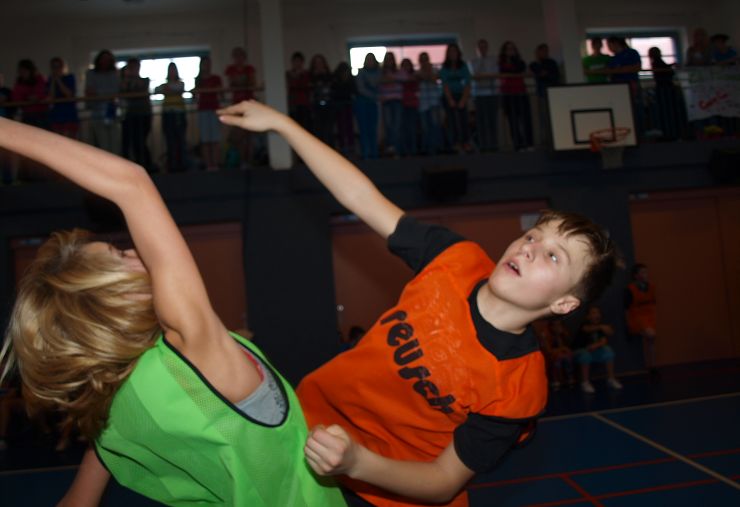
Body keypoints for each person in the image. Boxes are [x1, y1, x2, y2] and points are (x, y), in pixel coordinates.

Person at [218, 100, 620, 507]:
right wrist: (283, 124)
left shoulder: (519, 387)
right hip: (307, 430)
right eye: (533, 236)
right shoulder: (456, 259)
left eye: (553, 256)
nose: (529, 247)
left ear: (565, 304)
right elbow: (360, 197)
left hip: (384, 494)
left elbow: (444, 480)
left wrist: (357, 462)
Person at [0, 117, 346, 507]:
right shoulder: (194, 349)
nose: (136, 250)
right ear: (116, 299)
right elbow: (131, 182)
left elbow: (77, 502)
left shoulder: (115, 403)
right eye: (119, 256)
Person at [572, 305, 623, 393]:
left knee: (608, 351)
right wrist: (602, 327)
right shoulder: (585, 325)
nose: (596, 315)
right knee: (585, 355)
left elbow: (604, 340)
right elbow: (587, 329)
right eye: (593, 313)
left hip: (593, 352)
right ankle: (585, 382)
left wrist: (596, 345)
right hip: (579, 352)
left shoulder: (600, 327)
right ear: (588, 316)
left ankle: (611, 379)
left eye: (597, 313)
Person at [225, 46, 258, 167]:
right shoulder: (230, 69)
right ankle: (242, 160)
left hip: (249, 105)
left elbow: (252, 82)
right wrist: (242, 81)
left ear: (244, 57)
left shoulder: (249, 69)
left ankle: (250, 160)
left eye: (240, 56)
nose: (238, 59)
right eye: (236, 56)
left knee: (249, 134)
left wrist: (241, 81)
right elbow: (232, 83)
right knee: (237, 134)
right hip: (237, 106)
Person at [119, 58, 153, 169]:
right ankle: (136, 166)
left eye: (135, 67)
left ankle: (146, 165)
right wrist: (126, 80)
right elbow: (122, 93)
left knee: (140, 141)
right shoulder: (124, 82)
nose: (133, 69)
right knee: (131, 142)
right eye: (131, 67)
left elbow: (140, 91)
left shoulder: (144, 80)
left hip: (144, 115)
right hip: (130, 115)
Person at [498, 41, 532, 151]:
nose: (510, 51)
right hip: (508, 95)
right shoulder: (501, 63)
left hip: (521, 93)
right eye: (508, 49)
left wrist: (514, 63)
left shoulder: (520, 62)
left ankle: (529, 143)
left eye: (512, 48)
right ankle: (518, 145)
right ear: (504, 51)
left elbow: (520, 69)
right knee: (513, 121)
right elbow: (506, 71)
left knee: (526, 119)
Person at [85, 50, 120, 154]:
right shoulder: (91, 73)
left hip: (112, 113)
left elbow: (115, 91)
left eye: (108, 59)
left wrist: (99, 94)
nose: (105, 61)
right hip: (97, 115)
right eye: (103, 59)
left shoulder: (114, 74)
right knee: (103, 146)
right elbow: (90, 92)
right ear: (99, 60)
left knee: (115, 145)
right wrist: (106, 95)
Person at [439, 43, 473, 152]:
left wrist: (464, 99)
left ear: (458, 53)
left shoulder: (463, 66)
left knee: (464, 119)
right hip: (448, 96)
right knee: (452, 120)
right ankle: (455, 143)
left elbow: (467, 83)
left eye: (454, 51)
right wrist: (450, 99)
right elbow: (445, 85)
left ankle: (466, 142)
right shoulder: (444, 68)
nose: (453, 54)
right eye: (450, 51)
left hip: (461, 95)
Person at [155, 62, 187, 172]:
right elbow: (156, 89)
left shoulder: (180, 83)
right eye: (170, 70)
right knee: (170, 140)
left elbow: (178, 89)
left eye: (173, 70)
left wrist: (169, 90)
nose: (172, 72)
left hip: (179, 113)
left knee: (180, 139)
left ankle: (182, 164)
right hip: (168, 114)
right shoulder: (164, 85)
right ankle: (172, 165)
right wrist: (167, 89)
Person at [625, 263, 657, 372]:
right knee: (651, 335)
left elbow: (653, 302)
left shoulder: (651, 287)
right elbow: (626, 309)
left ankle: (653, 366)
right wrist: (628, 324)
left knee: (651, 340)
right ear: (636, 275)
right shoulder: (630, 289)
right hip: (637, 317)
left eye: (646, 272)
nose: (646, 274)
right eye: (643, 272)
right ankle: (635, 331)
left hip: (649, 316)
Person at [193, 56, 223, 171]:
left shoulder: (216, 78)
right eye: (205, 63)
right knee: (205, 140)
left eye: (209, 63)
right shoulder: (198, 80)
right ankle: (208, 165)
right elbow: (195, 95)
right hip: (203, 110)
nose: (207, 66)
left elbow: (221, 93)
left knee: (215, 139)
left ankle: (216, 164)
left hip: (214, 109)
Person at [469, 38, 500, 152]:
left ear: (487, 48)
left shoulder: (493, 59)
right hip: (479, 94)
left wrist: (484, 76)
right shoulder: (473, 61)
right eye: (480, 47)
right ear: (477, 49)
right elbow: (475, 75)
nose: (482, 49)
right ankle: (483, 146)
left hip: (492, 94)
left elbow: (494, 75)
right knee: (481, 122)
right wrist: (482, 72)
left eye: (484, 47)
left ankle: (493, 145)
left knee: (492, 121)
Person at [529, 44, 560, 148]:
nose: (544, 53)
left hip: (553, 94)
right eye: (542, 51)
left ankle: (555, 139)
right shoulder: (534, 64)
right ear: (537, 52)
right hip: (542, 94)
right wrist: (544, 73)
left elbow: (554, 77)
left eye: (546, 51)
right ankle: (545, 140)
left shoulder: (552, 63)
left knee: (553, 117)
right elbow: (539, 73)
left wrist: (546, 74)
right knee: (543, 118)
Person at [417, 52, 445, 155]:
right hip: (423, 103)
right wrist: (424, 76)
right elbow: (418, 79)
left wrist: (427, 74)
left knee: (435, 125)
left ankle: (438, 147)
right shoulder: (417, 72)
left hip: (434, 101)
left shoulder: (435, 70)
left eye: (425, 59)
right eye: (422, 60)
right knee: (425, 127)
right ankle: (427, 148)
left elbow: (434, 79)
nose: (424, 62)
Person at [354, 53, 381, 159]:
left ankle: (374, 153)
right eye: (367, 59)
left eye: (371, 59)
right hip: (362, 104)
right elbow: (361, 89)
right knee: (363, 129)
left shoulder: (379, 72)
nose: (369, 62)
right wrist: (375, 96)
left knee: (373, 129)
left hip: (372, 104)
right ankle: (366, 153)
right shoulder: (361, 73)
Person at [47, 57, 80, 139]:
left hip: (69, 114)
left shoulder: (70, 77)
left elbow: (68, 94)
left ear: (62, 67)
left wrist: (58, 80)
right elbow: (51, 96)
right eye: (54, 67)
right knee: (57, 139)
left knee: (69, 139)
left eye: (58, 66)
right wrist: (53, 81)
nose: (56, 69)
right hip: (56, 114)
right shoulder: (50, 80)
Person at [539, 318, 574, 390]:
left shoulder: (563, 333)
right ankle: (555, 380)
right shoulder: (546, 334)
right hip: (549, 355)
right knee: (558, 359)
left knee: (567, 357)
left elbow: (568, 348)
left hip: (562, 354)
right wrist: (561, 349)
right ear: (551, 326)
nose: (557, 327)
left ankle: (569, 379)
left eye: (559, 325)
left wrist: (559, 335)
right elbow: (548, 350)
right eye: (555, 325)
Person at [310, 54, 336, 148]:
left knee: (329, 130)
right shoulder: (310, 76)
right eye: (316, 63)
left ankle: (330, 151)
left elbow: (333, 88)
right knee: (318, 131)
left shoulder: (330, 75)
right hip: (316, 107)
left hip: (329, 106)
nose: (319, 64)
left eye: (320, 62)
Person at [379, 52, 403, 157]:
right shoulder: (381, 72)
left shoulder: (399, 71)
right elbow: (379, 81)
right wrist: (390, 80)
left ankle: (396, 148)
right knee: (388, 125)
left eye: (391, 58)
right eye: (387, 59)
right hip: (386, 102)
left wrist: (391, 79)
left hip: (397, 101)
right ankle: (390, 147)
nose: (389, 61)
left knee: (396, 125)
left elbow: (405, 79)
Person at [332, 61, 356, 156]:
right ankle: (343, 146)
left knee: (349, 126)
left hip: (348, 105)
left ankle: (350, 146)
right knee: (341, 126)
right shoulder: (336, 81)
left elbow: (353, 91)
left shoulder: (351, 80)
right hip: (339, 106)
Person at [287, 51, 313, 131]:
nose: (297, 63)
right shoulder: (288, 74)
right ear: (292, 62)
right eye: (295, 61)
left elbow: (307, 86)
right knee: (295, 126)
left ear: (302, 62)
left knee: (306, 127)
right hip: (293, 104)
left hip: (305, 104)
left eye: (299, 61)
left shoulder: (307, 74)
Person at [399, 58, 419, 156]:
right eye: (404, 65)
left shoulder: (415, 76)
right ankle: (405, 150)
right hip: (402, 104)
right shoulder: (399, 76)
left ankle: (414, 149)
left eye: (408, 64)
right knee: (404, 128)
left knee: (413, 128)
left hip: (413, 104)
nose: (406, 67)